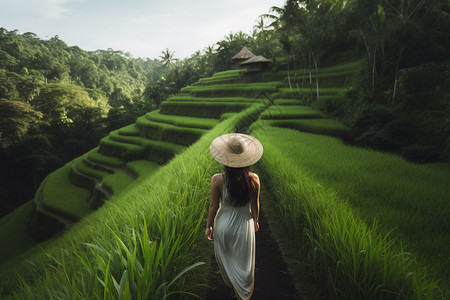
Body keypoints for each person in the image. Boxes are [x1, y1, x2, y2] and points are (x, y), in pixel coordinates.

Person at [206, 133, 263, 300]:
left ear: (225, 158)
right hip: (244, 226)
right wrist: (256, 221)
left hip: (223, 225)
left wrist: (209, 226)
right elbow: (255, 205)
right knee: (244, 263)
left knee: (227, 258)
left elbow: (213, 206)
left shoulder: (217, 180)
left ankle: (232, 286)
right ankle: (241, 294)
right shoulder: (254, 180)